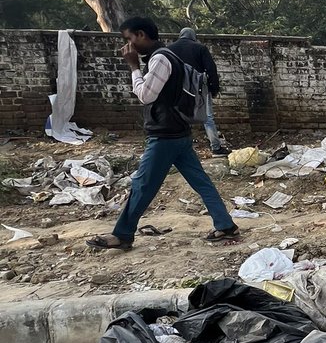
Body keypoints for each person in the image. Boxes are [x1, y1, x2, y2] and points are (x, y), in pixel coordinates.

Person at [86, 17, 240, 251]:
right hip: (179, 132)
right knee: (201, 181)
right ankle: (226, 225)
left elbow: (146, 95)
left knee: (142, 185)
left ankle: (122, 234)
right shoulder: (168, 56)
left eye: (129, 39)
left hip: (165, 135)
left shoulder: (160, 59)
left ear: (141, 34)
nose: (127, 45)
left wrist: (134, 67)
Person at [174, 27, 229, 156]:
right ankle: (216, 147)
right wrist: (213, 89)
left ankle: (182, 149)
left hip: (179, 88)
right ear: (193, 36)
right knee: (207, 117)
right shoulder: (200, 48)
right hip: (199, 87)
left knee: (181, 117)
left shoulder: (170, 49)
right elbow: (211, 69)